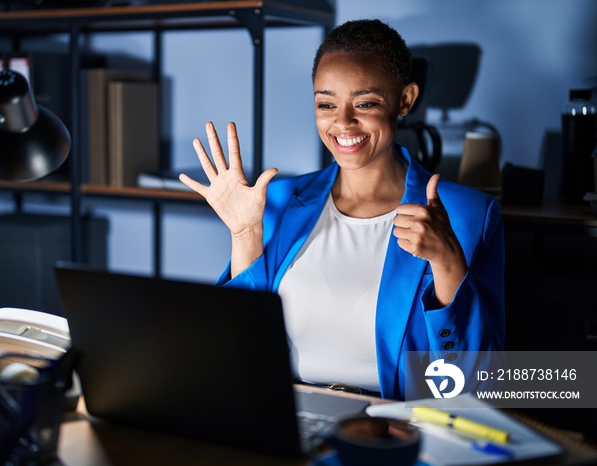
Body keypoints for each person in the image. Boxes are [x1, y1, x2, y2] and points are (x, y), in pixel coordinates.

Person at [179, 19, 504, 400]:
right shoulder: (276, 201)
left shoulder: (468, 214)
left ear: (405, 100)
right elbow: (238, 347)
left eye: (365, 103)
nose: (343, 122)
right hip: (286, 416)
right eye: (326, 104)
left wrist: (448, 264)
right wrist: (244, 235)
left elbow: (479, 384)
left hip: (398, 430)